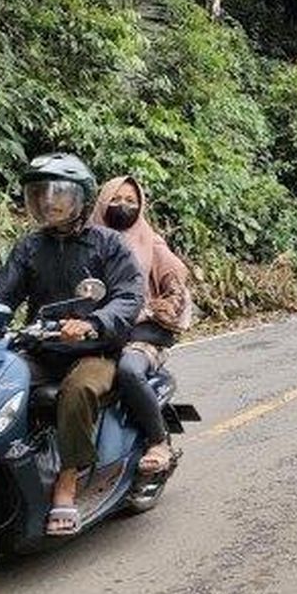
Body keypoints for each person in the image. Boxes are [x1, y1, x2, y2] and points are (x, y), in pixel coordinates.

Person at [0, 154, 145, 536]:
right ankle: (6, 464)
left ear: (81, 198)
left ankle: (66, 480)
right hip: (43, 349)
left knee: (77, 391)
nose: (48, 202)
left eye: (57, 193)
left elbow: (128, 296)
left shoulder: (108, 244)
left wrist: (93, 323)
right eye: (40, 194)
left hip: (95, 350)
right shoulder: (30, 246)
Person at [90, 176, 192, 477]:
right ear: (101, 201)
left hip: (140, 332)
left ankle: (158, 441)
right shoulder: (85, 238)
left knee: (129, 370)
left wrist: (154, 309)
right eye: (116, 199)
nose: (123, 206)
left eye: (131, 201)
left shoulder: (149, 240)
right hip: (94, 329)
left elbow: (175, 282)